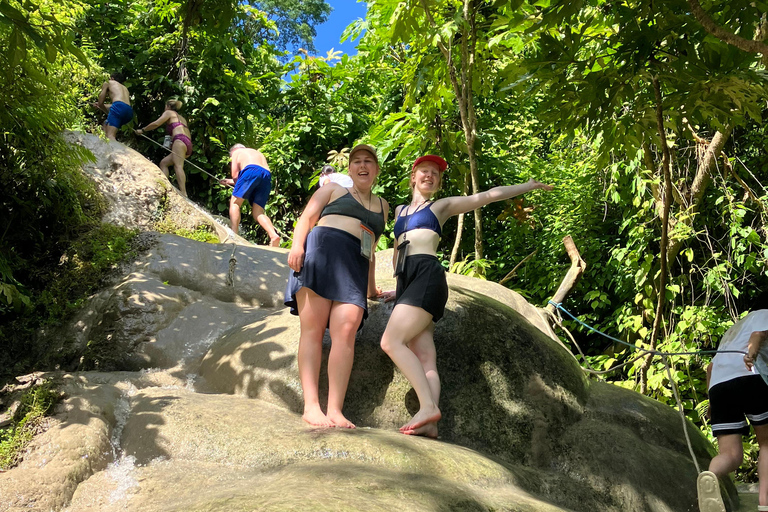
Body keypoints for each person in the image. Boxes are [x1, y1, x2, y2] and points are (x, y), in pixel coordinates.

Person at [380, 155, 553, 438]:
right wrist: (397, 291)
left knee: (390, 341)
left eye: (435, 173)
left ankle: (427, 407)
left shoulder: (441, 206)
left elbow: (485, 197)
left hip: (427, 276)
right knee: (425, 356)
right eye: (425, 171)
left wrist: (528, 185)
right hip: (409, 280)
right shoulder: (400, 211)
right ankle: (431, 424)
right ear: (413, 176)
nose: (430, 176)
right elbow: (399, 252)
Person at [284, 144, 389, 428]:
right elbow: (307, 217)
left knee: (346, 332)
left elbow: (371, 249)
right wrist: (297, 246)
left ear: (377, 169)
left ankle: (335, 410)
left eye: (369, 161)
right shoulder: (332, 190)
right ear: (350, 169)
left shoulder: (383, 206)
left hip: (353, 266)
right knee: (313, 330)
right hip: (321, 253)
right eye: (357, 162)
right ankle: (311, 406)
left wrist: (372, 290)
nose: (362, 165)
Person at [698, 305, 768, 512]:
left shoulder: (732, 332)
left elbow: (710, 367)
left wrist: (711, 402)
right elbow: (759, 334)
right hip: (749, 377)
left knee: (731, 454)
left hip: (719, 388)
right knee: (766, 443)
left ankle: (711, 474)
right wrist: (751, 354)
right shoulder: (764, 315)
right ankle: (765, 502)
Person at [219, 144, 281, 246]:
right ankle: (273, 235)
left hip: (250, 171)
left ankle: (234, 235)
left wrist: (235, 183)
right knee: (258, 212)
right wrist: (231, 182)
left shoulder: (236, 153)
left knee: (235, 203)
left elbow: (235, 175)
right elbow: (256, 174)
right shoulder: (256, 153)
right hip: (266, 175)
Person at [135, 100, 193, 197]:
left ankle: (184, 192)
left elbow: (156, 124)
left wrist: (143, 130)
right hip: (187, 143)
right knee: (164, 163)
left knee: (178, 166)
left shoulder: (169, 113)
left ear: (168, 106)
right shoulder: (182, 118)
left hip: (179, 140)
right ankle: (165, 186)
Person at [92, 72, 133, 141]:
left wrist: (99, 105)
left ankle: (115, 151)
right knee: (105, 124)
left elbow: (101, 102)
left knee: (110, 136)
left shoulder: (108, 82)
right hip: (129, 111)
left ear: (112, 78)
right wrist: (102, 106)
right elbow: (120, 106)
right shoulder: (125, 88)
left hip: (118, 108)